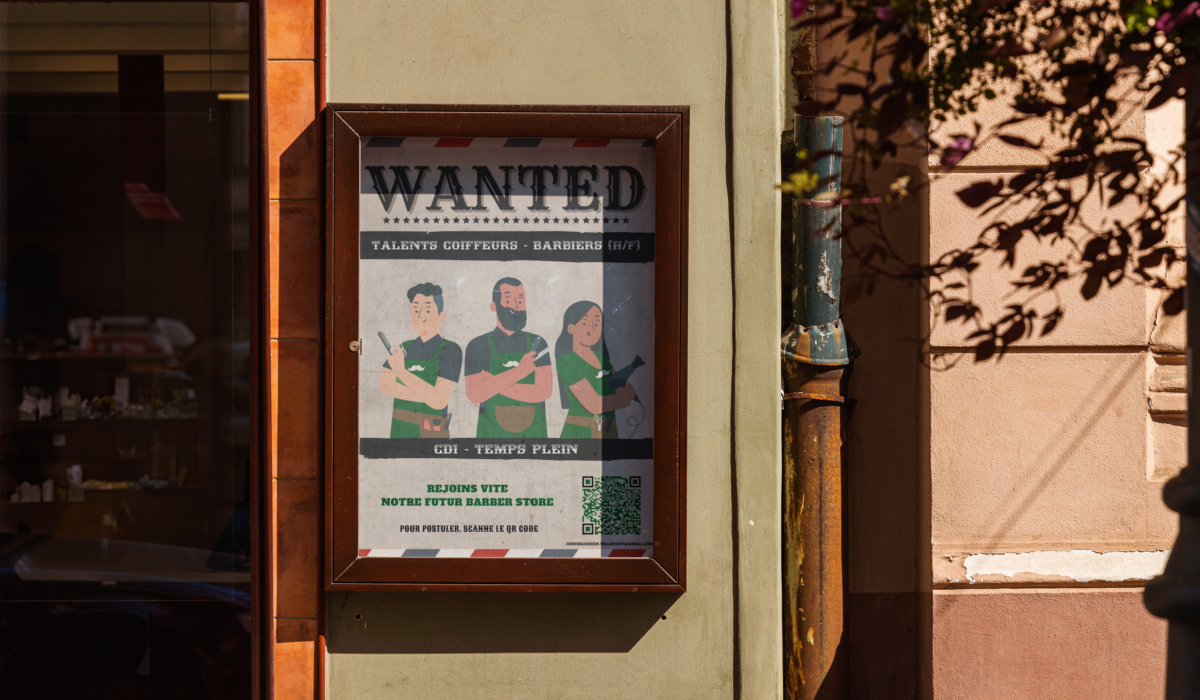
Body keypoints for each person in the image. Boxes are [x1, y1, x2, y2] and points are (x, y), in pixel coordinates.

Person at [464, 277, 553, 438]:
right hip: (490, 434)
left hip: (533, 434)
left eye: (521, 299)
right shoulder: (476, 345)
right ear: (494, 306)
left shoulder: (538, 343)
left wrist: (492, 383)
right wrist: (519, 372)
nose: (516, 305)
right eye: (508, 299)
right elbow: (474, 394)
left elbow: (542, 392)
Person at [378, 283, 463, 438]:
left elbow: (439, 401)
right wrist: (427, 396)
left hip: (432, 432)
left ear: (441, 315)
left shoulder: (450, 349)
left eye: (428, 309)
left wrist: (402, 372)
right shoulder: (404, 347)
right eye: (415, 309)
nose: (420, 314)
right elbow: (384, 385)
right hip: (400, 430)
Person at [554, 301, 636, 438]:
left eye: (597, 323)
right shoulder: (566, 361)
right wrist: (622, 397)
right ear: (570, 328)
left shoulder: (602, 358)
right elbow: (593, 405)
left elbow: (622, 394)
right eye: (585, 322)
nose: (592, 328)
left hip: (608, 430)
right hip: (580, 432)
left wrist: (622, 396)